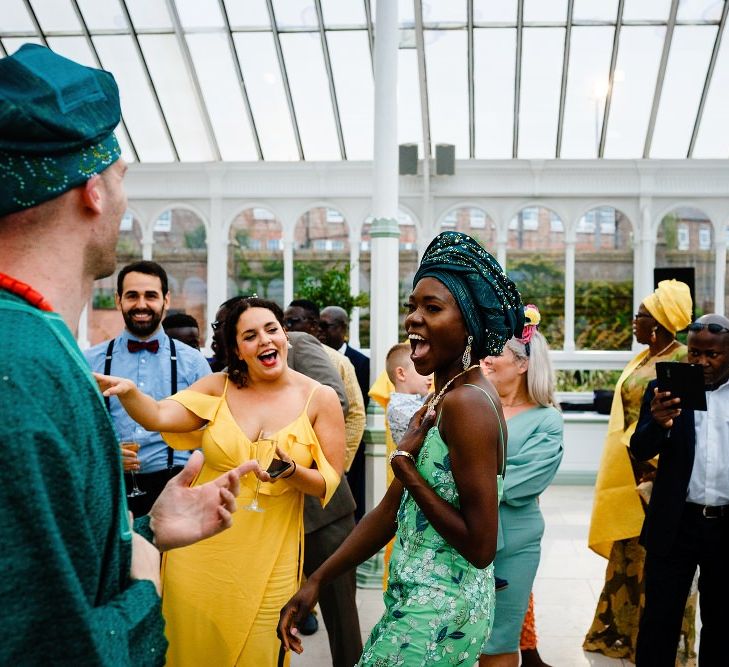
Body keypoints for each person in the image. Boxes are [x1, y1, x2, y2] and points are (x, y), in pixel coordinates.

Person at [0, 43, 262, 665]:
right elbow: (50, 645)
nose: (123, 201)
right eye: (122, 180)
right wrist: (144, 582)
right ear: (93, 191)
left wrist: (147, 532)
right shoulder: (26, 373)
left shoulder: (37, 347)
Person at [279, 230, 525, 665]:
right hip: (417, 600)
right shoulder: (445, 394)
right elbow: (389, 512)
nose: (413, 319)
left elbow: (482, 545)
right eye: (412, 306)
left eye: (432, 308)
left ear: (468, 323)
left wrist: (405, 466)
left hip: (439, 611)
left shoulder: (467, 403)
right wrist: (317, 579)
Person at [94, 296, 346, 666]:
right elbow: (159, 415)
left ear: (285, 336)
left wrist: (291, 471)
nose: (264, 341)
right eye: (249, 336)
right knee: (189, 651)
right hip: (200, 550)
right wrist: (132, 394)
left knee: (259, 652)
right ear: (237, 350)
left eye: (271, 330)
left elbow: (329, 482)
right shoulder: (217, 388)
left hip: (270, 555)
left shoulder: (319, 398)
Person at [584, 280, 695, 663]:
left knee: (659, 562)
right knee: (630, 555)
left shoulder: (680, 359)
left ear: (659, 322)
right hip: (628, 473)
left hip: (655, 477)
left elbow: (683, 423)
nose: (634, 321)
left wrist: (656, 471)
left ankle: (664, 643)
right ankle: (626, 635)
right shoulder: (646, 357)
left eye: (641, 315)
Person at [630, 314, 729, 666]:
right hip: (676, 523)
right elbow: (640, 448)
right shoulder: (664, 390)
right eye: (695, 353)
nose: (701, 362)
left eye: (711, 355)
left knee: (721, 623)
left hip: (724, 526)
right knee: (659, 621)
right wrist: (657, 422)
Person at [86, 262, 211, 516]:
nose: (141, 304)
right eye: (132, 296)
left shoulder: (192, 362)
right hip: (110, 487)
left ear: (166, 300)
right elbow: (77, 428)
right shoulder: (90, 362)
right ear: (118, 300)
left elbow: (211, 431)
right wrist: (104, 453)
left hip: (175, 486)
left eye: (150, 296)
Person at [479, 304, 563, 667]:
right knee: (458, 634)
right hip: (458, 537)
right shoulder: (474, 404)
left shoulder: (547, 421)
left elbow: (517, 484)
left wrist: (459, 480)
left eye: (496, 351)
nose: (486, 358)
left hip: (513, 543)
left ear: (523, 363)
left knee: (498, 639)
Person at [283, 299, 364, 664]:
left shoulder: (296, 345)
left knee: (341, 617)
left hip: (320, 512)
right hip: (262, 513)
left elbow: (339, 400)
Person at [320, 304, 370, 520]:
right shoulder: (317, 358)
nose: (320, 330)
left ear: (342, 328)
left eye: (326, 326)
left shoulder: (361, 362)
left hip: (350, 447)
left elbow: (359, 410)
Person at [384, 342, 431, 445]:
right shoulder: (398, 408)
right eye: (422, 369)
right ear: (401, 374)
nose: (430, 376)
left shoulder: (422, 398)